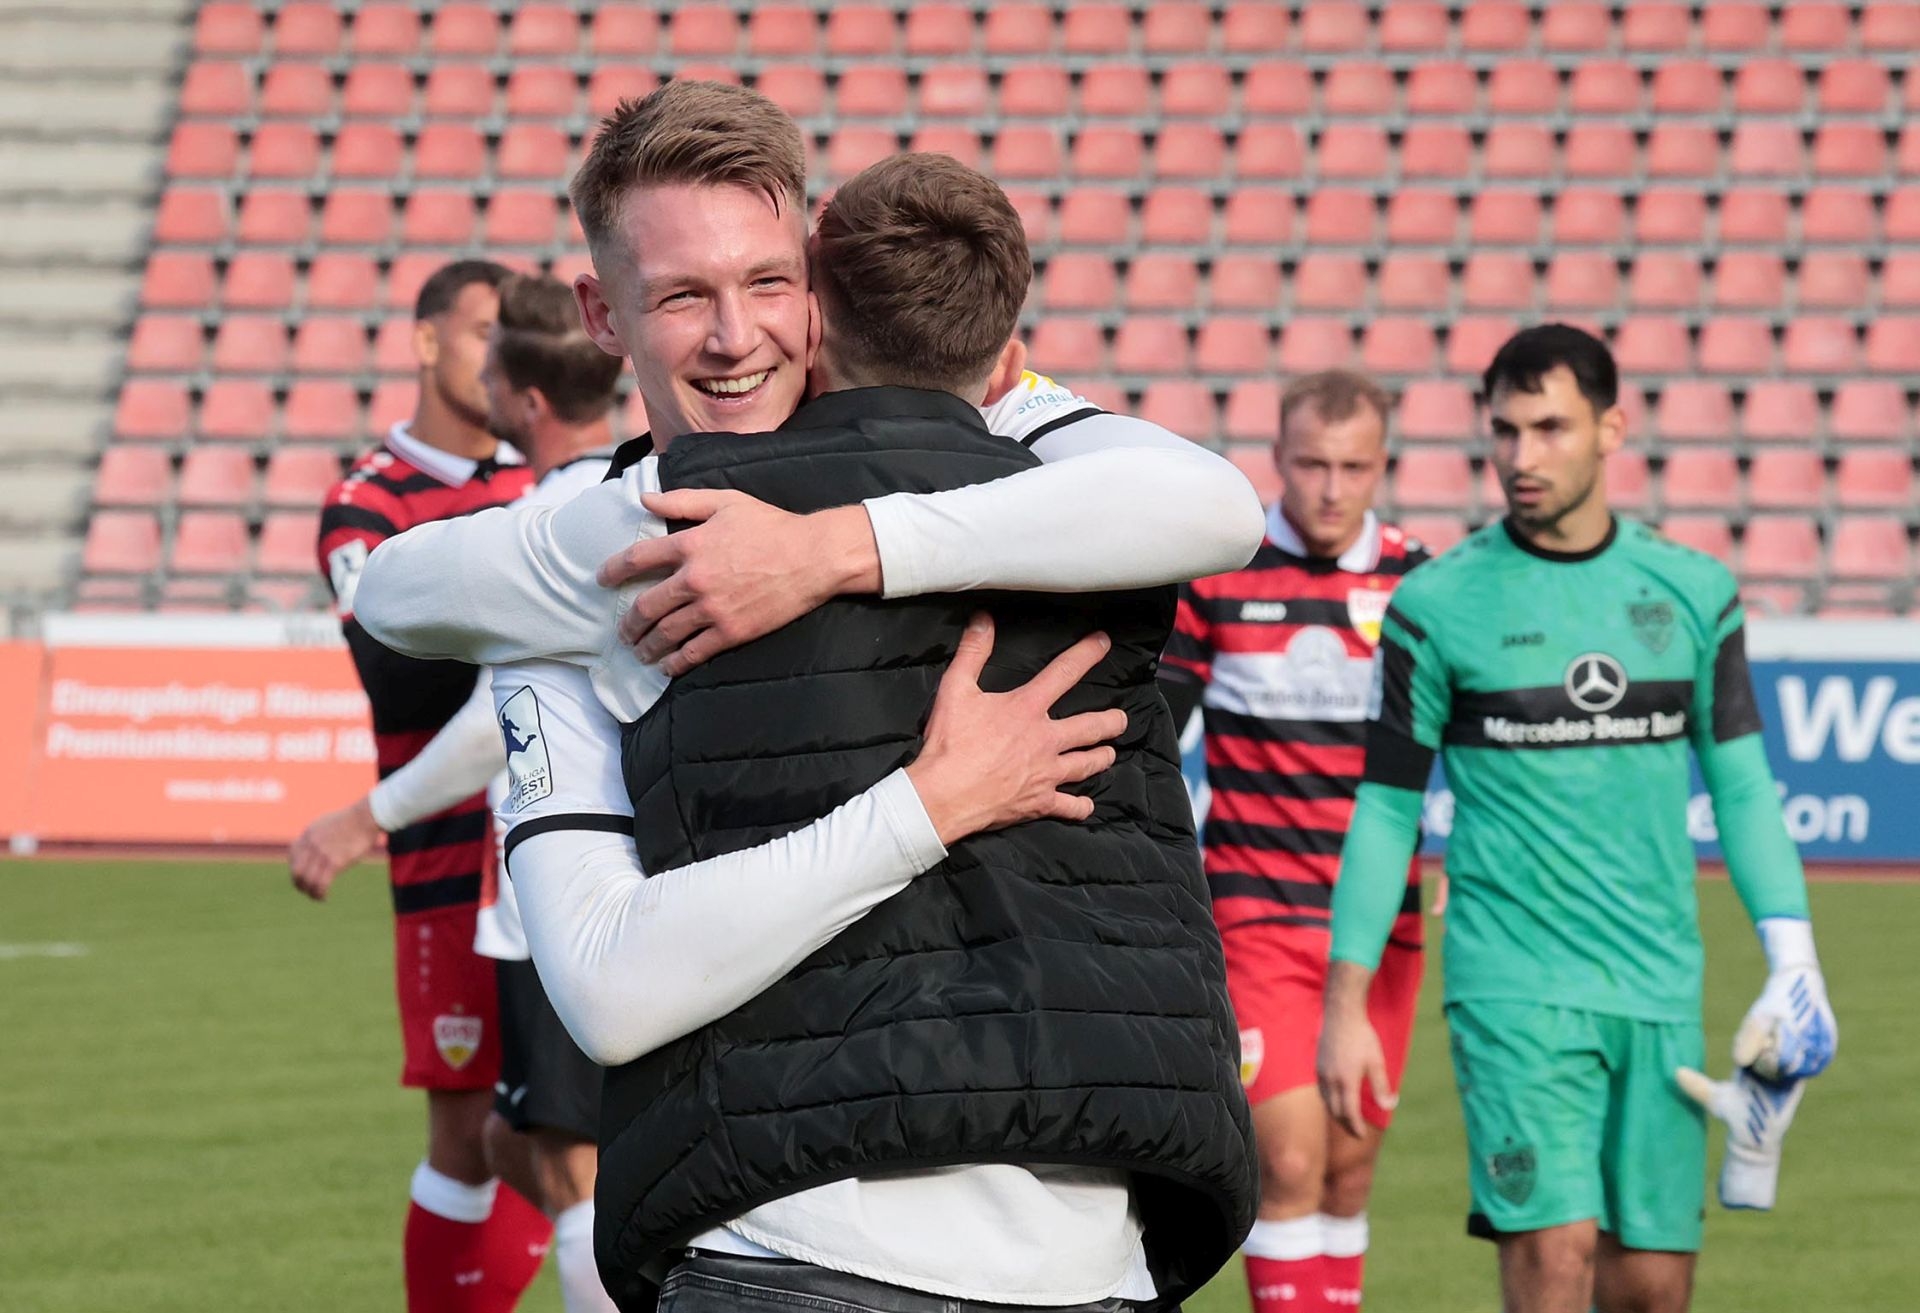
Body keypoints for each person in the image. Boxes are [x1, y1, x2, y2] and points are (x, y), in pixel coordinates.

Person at [353, 81, 1267, 1312]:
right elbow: (399, 590)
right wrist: (928, 804)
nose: (737, 336)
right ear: (601, 315)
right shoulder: (607, 556)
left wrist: (838, 547)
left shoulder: (1032, 469)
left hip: (1082, 1264)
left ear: (820, 287)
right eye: (683, 295)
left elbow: (1219, 508)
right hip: (807, 1256)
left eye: (768, 283)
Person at [1318, 325, 1838, 1313]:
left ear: (1611, 429)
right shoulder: (1434, 605)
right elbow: (1388, 809)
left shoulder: (1695, 592)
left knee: (1651, 1290)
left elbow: (1742, 789)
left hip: (1657, 984)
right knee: (1553, 1260)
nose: (1521, 456)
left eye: (1550, 428)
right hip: (1510, 987)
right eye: (1504, 430)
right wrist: (1346, 1005)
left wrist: (1795, 959)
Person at [298, 273, 628, 1313]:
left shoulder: (540, 494)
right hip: (450, 856)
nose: (491, 355)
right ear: (427, 341)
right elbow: (393, 676)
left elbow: (495, 695)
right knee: (483, 1127)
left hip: (537, 852)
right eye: (481, 331)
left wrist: (493, 594)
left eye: (504, 337)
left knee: (547, 1136)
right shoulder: (370, 498)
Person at [1158, 371, 1428, 1313]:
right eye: (1312, 463)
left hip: (1381, 923)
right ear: (1278, 457)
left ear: (1382, 465)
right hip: (1256, 909)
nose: (1331, 487)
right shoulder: (1221, 575)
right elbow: (1156, 732)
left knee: (1348, 1170)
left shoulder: (1420, 583)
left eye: (1353, 467)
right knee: (1289, 1158)